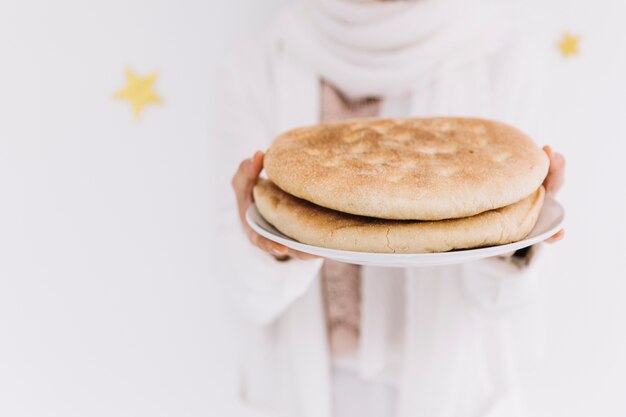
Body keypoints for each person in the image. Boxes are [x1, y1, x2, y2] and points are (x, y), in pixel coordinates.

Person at [211, 1, 566, 416]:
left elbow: (508, 300)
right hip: (311, 388)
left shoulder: (500, 51)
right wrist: (266, 244)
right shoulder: (256, 63)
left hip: (455, 389)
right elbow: (244, 293)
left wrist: (515, 241)